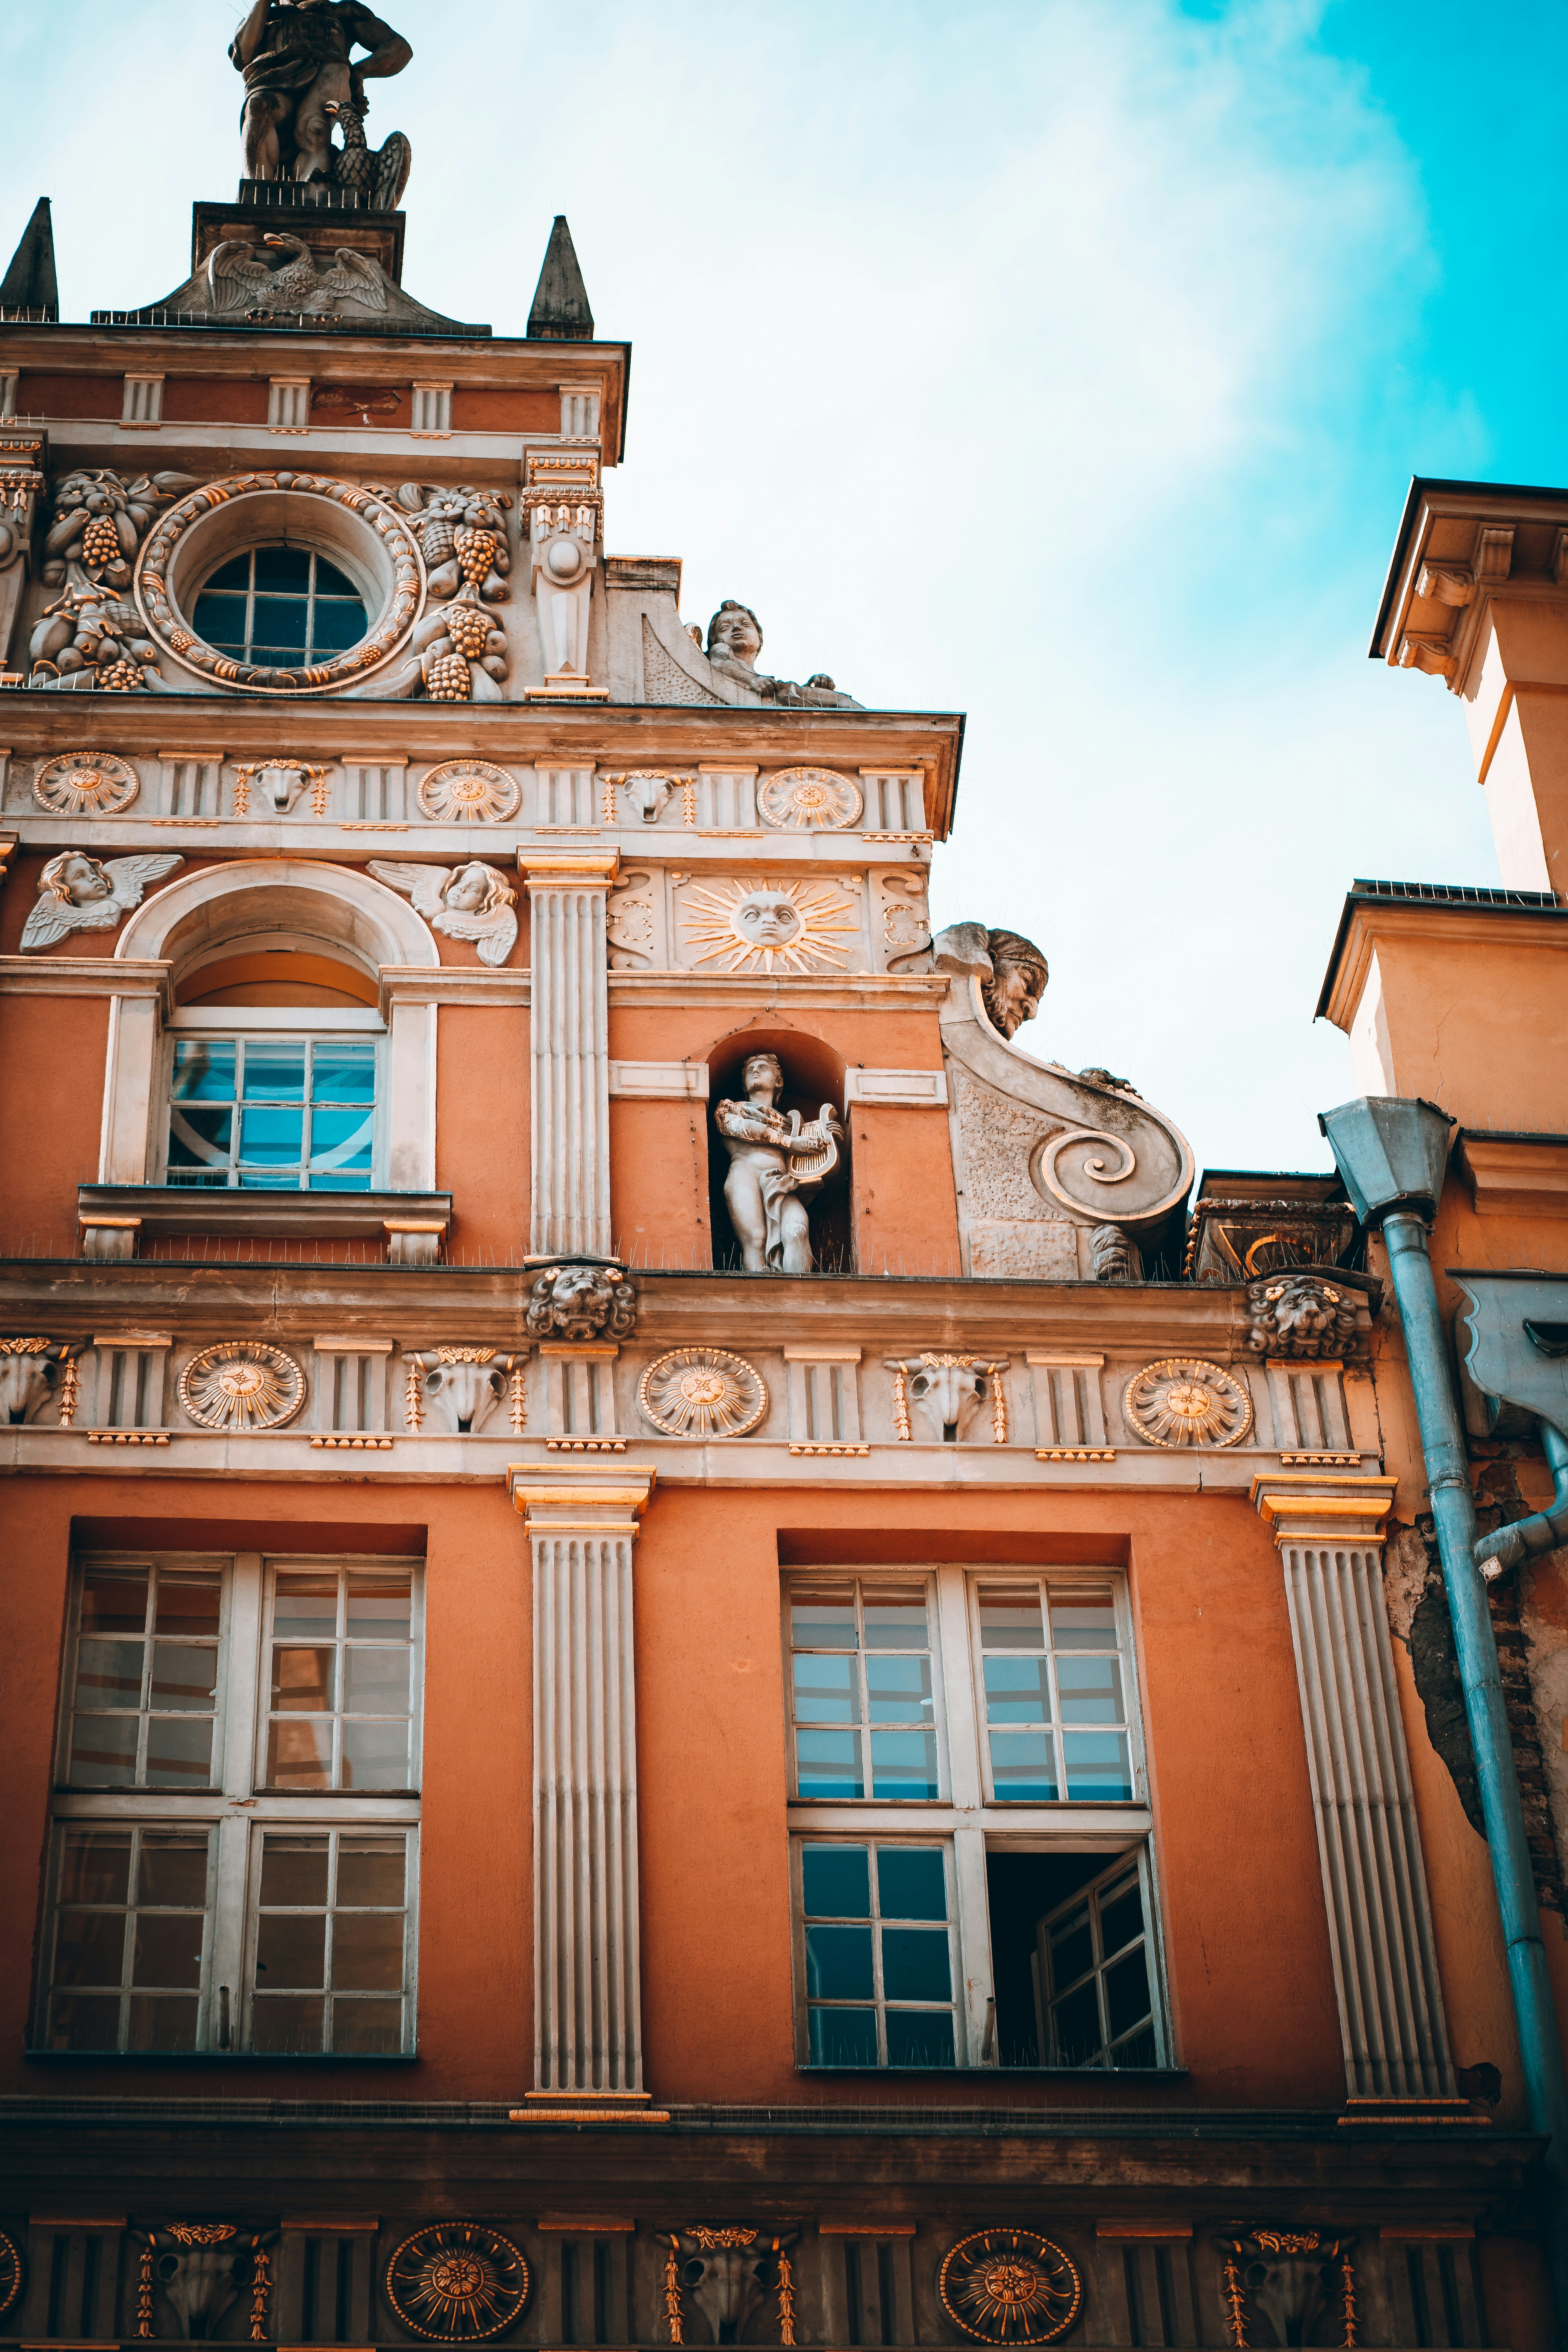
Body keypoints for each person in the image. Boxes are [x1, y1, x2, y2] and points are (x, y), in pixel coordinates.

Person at [230, 0, 411, 184]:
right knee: (260, 106)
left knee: (316, 126)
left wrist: (361, 71)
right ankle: (258, 194)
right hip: (273, 81)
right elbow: (242, 55)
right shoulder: (267, 16)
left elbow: (399, 49)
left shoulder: (342, 12)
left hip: (327, 75)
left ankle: (312, 196)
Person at [714, 1052, 842, 1274]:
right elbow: (747, 1130)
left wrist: (828, 1138)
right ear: (744, 1083)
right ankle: (761, 1301)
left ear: (778, 1081)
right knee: (756, 1239)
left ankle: (799, 1299)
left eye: (762, 1067)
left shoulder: (791, 1125)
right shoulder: (730, 1109)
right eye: (750, 1070)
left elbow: (807, 1166)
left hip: (782, 1182)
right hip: (745, 1175)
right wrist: (791, 1142)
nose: (755, 1071)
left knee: (797, 1230)